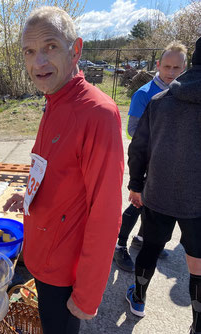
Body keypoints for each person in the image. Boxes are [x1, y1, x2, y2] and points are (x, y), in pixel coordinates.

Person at [3, 6, 124, 333]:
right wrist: (27, 195)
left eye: (50, 47)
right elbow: (52, 168)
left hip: (64, 275)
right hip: (40, 255)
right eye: (30, 51)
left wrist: (85, 296)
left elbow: (106, 212)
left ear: (76, 50)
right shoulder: (54, 98)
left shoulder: (98, 113)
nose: (38, 62)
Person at [125, 37, 201, 334]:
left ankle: (139, 299)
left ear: (190, 64)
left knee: (151, 247)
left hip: (158, 193)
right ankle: (197, 323)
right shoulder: (152, 98)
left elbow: (138, 149)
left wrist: (135, 183)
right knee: (197, 260)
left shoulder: (160, 102)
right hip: (197, 201)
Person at [113, 41, 187, 272]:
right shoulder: (143, 94)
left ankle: (142, 239)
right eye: (167, 66)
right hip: (147, 161)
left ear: (185, 67)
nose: (170, 73)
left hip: (172, 164)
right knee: (138, 203)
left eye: (176, 68)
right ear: (158, 64)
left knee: (155, 206)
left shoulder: (184, 93)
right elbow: (132, 130)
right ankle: (119, 245)